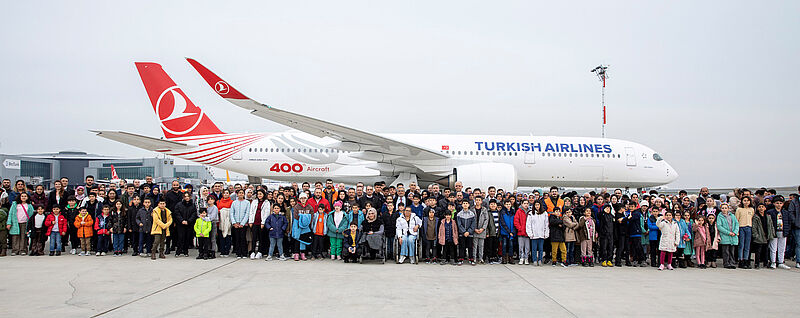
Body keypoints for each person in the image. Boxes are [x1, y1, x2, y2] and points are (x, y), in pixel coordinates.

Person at [767, 196, 790, 269]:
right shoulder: (770, 212)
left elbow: (788, 222)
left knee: (782, 248)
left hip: (783, 232)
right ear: (774, 203)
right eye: (777, 203)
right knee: (773, 248)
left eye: (780, 203)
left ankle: (781, 261)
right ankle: (773, 261)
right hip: (774, 232)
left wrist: (787, 230)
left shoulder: (785, 212)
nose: (779, 205)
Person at [172, 192, 197, 258]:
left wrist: (188, 221)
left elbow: (194, 214)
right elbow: (177, 213)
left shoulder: (193, 205)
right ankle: (178, 251)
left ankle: (186, 251)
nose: (187, 197)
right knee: (180, 238)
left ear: (190, 197)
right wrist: (182, 220)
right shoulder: (179, 205)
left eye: (188, 196)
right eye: (185, 196)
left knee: (187, 238)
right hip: (181, 224)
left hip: (189, 224)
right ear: (183, 197)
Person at [750, 203, 774, 269]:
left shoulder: (768, 216)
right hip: (759, 235)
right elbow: (754, 227)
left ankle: (765, 262)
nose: (761, 208)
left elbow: (771, 225)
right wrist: (756, 235)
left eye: (762, 207)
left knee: (765, 250)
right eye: (759, 207)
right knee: (758, 251)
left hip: (766, 235)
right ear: (757, 208)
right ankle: (757, 263)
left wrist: (771, 234)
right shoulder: (756, 217)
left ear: (765, 208)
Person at [716, 203, 740, 269]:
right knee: (725, 251)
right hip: (725, 236)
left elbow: (736, 224)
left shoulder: (732, 216)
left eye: (725, 208)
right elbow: (719, 226)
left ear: (728, 209)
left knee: (732, 251)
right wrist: (728, 232)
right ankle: (726, 263)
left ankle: (732, 262)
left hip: (733, 235)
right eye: (723, 208)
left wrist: (735, 232)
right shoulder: (719, 216)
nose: (724, 209)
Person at [248, 189, 270, 259]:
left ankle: (260, 252)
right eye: (258, 194)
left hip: (261, 223)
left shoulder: (266, 202)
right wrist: (250, 221)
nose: (259, 195)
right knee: (254, 238)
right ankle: (252, 251)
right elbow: (251, 212)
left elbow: (266, 213)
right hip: (254, 222)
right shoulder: (254, 202)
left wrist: (263, 222)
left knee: (261, 238)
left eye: (261, 194)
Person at [735, 196, 754, 268]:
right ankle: (741, 260)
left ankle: (746, 260)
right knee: (741, 245)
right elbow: (737, 220)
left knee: (747, 245)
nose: (746, 202)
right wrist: (737, 231)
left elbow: (751, 217)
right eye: (744, 200)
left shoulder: (751, 209)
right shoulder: (739, 209)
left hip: (749, 227)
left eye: (747, 200)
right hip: (741, 227)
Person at [231, 189, 251, 259]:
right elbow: (232, 213)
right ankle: (238, 253)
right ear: (237, 194)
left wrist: (243, 223)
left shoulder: (247, 203)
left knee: (243, 238)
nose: (241, 194)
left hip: (243, 224)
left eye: (242, 193)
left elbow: (247, 213)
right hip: (236, 223)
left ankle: (244, 253)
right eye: (239, 193)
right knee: (237, 238)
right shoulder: (234, 203)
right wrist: (234, 222)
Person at [456, 200, 476, 265]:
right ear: (462, 205)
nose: (465, 204)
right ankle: (461, 258)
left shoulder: (472, 214)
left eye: (466, 203)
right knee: (462, 246)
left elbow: (473, 224)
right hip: (462, 234)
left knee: (470, 246)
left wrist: (469, 231)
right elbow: (459, 224)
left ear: (468, 205)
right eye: (464, 203)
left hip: (470, 234)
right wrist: (464, 231)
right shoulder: (459, 214)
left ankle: (471, 258)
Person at [472, 196, 488, 264]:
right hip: (474, 230)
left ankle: (481, 258)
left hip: (482, 230)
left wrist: (483, 228)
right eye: (476, 200)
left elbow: (486, 219)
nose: (478, 201)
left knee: (481, 245)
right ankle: (474, 258)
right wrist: (474, 229)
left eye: (479, 200)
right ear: (475, 201)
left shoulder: (484, 209)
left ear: (481, 201)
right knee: (474, 245)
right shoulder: (472, 209)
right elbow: (471, 220)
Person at [498, 200, 516, 264]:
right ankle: (504, 258)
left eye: (509, 204)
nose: (508, 205)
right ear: (504, 205)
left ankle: (510, 258)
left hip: (511, 232)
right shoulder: (502, 212)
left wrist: (513, 231)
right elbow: (502, 223)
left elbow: (515, 222)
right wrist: (508, 231)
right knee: (504, 245)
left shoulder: (513, 212)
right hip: (505, 232)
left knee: (511, 245)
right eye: (506, 204)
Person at [515, 200, 531, 265]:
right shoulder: (518, 211)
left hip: (528, 233)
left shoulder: (530, 212)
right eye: (524, 203)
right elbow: (516, 221)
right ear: (521, 204)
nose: (526, 205)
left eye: (527, 203)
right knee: (521, 246)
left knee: (527, 246)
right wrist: (520, 228)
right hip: (521, 232)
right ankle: (521, 258)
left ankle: (526, 258)